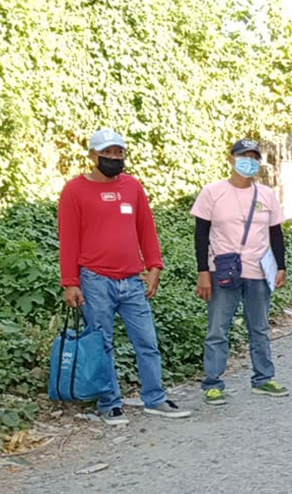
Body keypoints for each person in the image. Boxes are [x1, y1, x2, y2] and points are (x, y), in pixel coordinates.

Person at [57, 129, 191, 423]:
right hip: (95, 280)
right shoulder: (74, 190)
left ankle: (155, 398)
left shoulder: (132, 186)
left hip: (132, 280)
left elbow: (146, 228)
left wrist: (154, 265)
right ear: (93, 155)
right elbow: (68, 240)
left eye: (119, 153)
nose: (114, 158)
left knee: (147, 341)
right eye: (108, 153)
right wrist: (70, 282)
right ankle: (110, 403)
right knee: (101, 343)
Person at [192, 139, 289, 406]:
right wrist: (203, 271)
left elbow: (275, 233)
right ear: (231, 159)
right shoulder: (212, 192)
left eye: (254, 157)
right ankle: (213, 383)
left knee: (259, 327)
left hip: (259, 270)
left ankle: (263, 378)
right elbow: (201, 234)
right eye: (243, 156)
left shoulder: (266, 195)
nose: (249, 161)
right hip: (223, 270)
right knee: (217, 329)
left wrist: (280, 267)